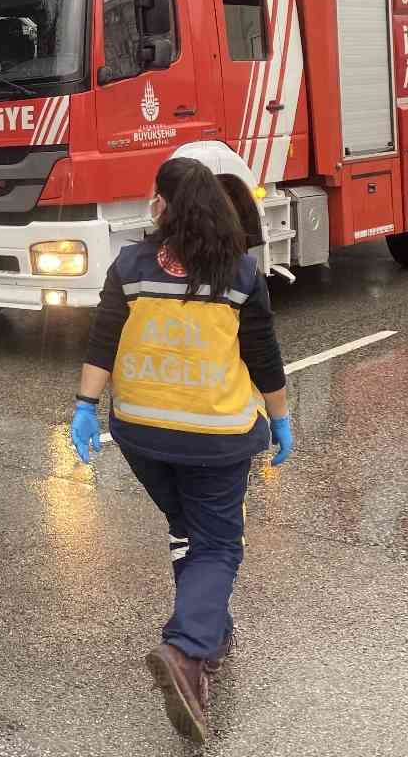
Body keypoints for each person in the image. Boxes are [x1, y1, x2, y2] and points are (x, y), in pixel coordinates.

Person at [69, 156, 293, 746]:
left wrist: (86, 407)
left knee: (186, 528)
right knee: (218, 543)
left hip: (142, 433)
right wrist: (281, 418)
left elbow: (104, 335)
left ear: (165, 205)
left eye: (154, 197)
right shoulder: (239, 271)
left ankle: (205, 629)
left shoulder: (132, 263)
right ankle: (188, 649)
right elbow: (263, 355)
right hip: (214, 436)